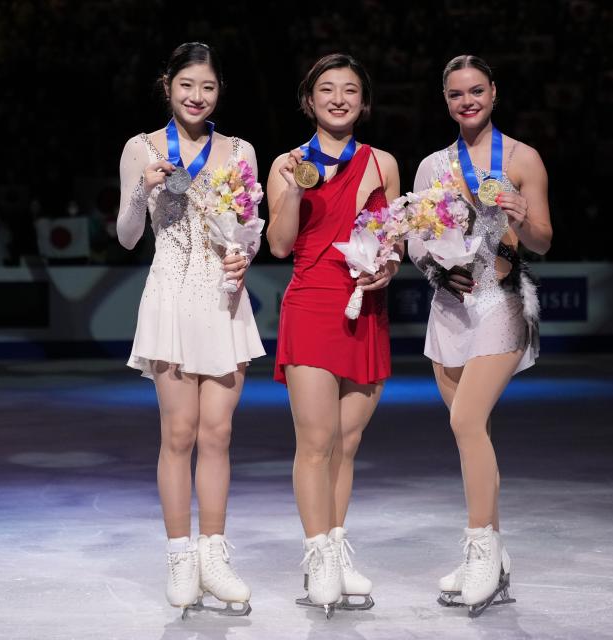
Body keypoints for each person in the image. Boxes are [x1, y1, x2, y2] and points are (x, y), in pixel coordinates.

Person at [116, 42, 265, 617]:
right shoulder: (141, 147)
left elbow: (250, 229)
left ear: (218, 90)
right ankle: (180, 557)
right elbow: (129, 235)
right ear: (167, 85)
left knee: (218, 434)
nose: (196, 96)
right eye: (186, 85)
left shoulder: (241, 150)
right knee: (179, 434)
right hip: (170, 297)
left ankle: (214, 555)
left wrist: (244, 256)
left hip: (224, 299)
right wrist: (143, 189)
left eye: (206, 86)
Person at [410, 54, 552, 617]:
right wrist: (433, 270)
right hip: (449, 310)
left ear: (494, 92)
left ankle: (478, 551)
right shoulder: (430, 167)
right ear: (445, 100)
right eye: (454, 94)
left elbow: (542, 241)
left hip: (504, 302)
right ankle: (495, 554)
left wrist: (520, 212)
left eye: (475, 90)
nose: (466, 101)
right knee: (476, 433)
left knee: (465, 421)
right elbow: (415, 239)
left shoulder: (523, 158)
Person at [266, 53, 400, 616]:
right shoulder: (285, 163)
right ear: (309, 98)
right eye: (327, 89)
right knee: (316, 442)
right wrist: (296, 189)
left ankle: (336, 543)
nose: (339, 98)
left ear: (363, 101)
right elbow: (277, 244)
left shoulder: (384, 163)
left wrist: (389, 265)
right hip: (312, 305)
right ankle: (317, 554)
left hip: (365, 310)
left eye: (350, 89)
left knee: (347, 443)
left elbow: (395, 238)